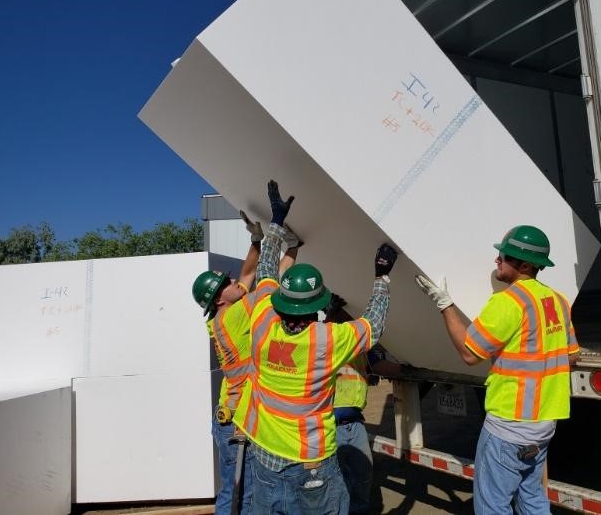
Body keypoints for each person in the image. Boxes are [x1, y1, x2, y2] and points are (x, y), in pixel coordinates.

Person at [233, 180, 399, 515]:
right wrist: (381, 277)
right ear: (317, 305)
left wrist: (276, 222)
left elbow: (266, 270)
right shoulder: (327, 339)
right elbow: (373, 326)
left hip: (264, 457)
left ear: (281, 298)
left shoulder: (262, 319)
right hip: (311, 463)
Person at [415, 225, 579, 515]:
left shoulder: (508, 302)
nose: (496, 260)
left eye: (504, 256)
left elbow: (469, 353)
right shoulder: (558, 301)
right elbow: (572, 358)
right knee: (533, 499)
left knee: (493, 506)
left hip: (508, 426)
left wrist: (444, 304)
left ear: (525, 265)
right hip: (543, 425)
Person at [191, 210, 301, 515]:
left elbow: (246, 277)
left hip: (230, 417)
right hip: (238, 423)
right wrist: (291, 247)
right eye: (226, 283)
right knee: (243, 495)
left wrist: (256, 240)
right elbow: (269, 284)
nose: (233, 281)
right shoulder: (235, 315)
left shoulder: (222, 315)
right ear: (219, 298)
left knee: (235, 491)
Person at [324, 297, 401, 515]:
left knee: (363, 476)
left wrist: (410, 370)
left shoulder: (361, 344)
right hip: (331, 424)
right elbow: (321, 337)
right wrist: (331, 313)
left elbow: (382, 366)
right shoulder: (328, 338)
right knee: (336, 483)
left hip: (355, 424)